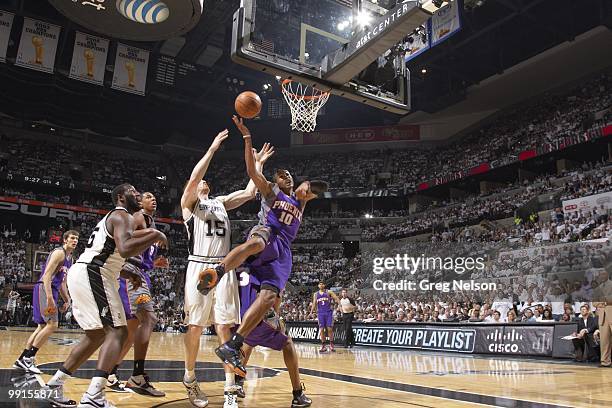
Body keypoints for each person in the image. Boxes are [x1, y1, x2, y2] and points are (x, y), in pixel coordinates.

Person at [200, 116, 328, 378]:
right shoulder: (271, 192)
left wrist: (309, 189)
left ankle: (234, 344)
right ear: (276, 182)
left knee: (270, 295)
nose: (287, 177)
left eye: (290, 175)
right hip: (266, 232)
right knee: (256, 242)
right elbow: (251, 172)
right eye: (282, 176)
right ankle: (218, 271)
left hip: (282, 250)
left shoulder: (301, 202)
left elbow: (317, 189)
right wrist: (248, 140)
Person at [45, 184, 167, 408]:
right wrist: (155, 234)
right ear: (121, 197)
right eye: (132, 191)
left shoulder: (116, 218)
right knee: (118, 331)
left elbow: (109, 252)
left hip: (88, 272)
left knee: (96, 334)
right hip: (94, 273)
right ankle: (94, 395)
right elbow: (125, 248)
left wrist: (128, 273)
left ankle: (54, 386)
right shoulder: (123, 215)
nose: (137, 194)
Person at [180, 128, 274, 408]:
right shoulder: (190, 205)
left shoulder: (219, 203)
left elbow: (249, 191)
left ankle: (230, 388)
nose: (203, 181)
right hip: (199, 267)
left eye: (205, 181)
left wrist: (257, 164)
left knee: (225, 329)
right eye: (199, 181)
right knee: (195, 327)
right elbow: (196, 176)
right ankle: (190, 377)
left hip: (223, 268)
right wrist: (211, 149)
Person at [107, 192, 165, 396]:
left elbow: (142, 250)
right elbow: (127, 237)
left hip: (140, 271)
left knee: (132, 330)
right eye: (148, 196)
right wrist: (155, 235)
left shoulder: (150, 221)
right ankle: (137, 376)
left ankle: (111, 372)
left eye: (154, 197)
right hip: (131, 272)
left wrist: (154, 262)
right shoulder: (139, 216)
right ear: (140, 202)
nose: (153, 199)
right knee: (148, 319)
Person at [236, 267, 312, 408]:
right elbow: (274, 298)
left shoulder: (238, 265)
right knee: (287, 343)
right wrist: (276, 319)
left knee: (247, 340)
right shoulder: (269, 266)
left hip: (238, 317)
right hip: (256, 316)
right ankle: (298, 394)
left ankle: (237, 382)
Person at [14, 230, 79, 374]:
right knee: (52, 324)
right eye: (72, 238)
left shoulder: (70, 258)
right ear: (65, 240)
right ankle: (29, 359)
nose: (75, 241)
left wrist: (67, 299)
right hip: (44, 288)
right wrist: (49, 297)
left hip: (52, 290)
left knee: (42, 326)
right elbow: (47, 276)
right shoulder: (59, 253)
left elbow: (63, 283)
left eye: (77, 239)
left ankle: (21, 359)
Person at [310, 282, 339, 352]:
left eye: (322, 284)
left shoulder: (329, 292)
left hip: (328, 312)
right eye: (320, 284)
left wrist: (339, 305)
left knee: (329, 329)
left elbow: (336, 298)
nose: (321, 285)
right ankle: (323, 345)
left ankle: (331, 344)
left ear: (324, 285)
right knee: (321, 330)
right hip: (320, 313)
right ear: (318, 285)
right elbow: (314, 303)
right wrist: (311, 312)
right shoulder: (316, 294)